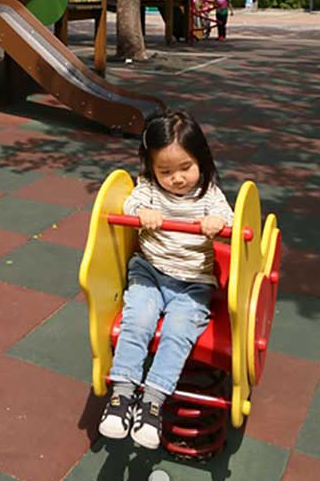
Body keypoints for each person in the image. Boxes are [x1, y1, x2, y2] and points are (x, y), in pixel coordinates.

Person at [98, 109, 233, 449]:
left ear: (201, 160)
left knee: (178, 331)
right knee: (138, 320)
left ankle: (153, 402)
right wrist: (142, 213)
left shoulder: (208, 194)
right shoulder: (148, 190)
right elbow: (130, 205)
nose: (176, 178)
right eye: (165, 171)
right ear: (151, 168)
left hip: (192, 281)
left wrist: (217, 223)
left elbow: (228, 218)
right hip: (151, 273)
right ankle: (122, 396)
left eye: (185, 167)